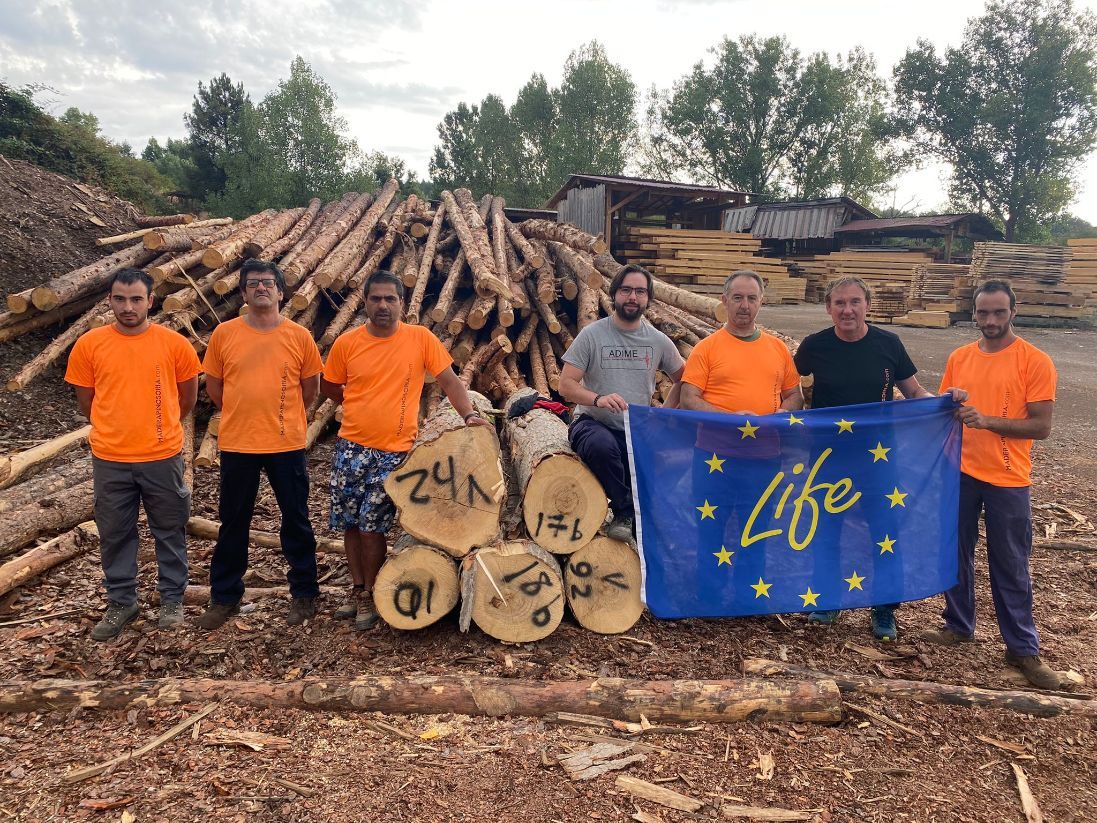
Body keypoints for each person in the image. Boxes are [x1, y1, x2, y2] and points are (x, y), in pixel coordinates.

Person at [320, 271, 490, 630]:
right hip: (351, 447)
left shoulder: (420, 339)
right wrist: (358, 404)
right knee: (349, 525)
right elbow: (331, 385)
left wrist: (471, 415)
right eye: (376, 299)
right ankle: (359, 591)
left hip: (394, 452)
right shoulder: (347, 344)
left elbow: (449, 381)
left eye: (390, 299)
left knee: (372, 527)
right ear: (365, 302)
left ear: (402, 303)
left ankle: (375, 589)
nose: (382, 305)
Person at [793, 276, 952, 641]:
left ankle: (884, 609)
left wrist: (944, 403)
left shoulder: (888, 344)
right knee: (826, 533)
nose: (847, 310)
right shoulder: (814, 346)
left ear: (868, 304)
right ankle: (827, 601)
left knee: (884, 534)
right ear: (828, 308)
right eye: (839, 303)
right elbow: (787, 385)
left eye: (854, 302)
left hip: (878, 459)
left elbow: (914, 391)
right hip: (827, 459)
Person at [922, 280, 1060, 689]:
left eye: (999, 312)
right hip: (959, 473)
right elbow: (947, 405)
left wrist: (988, 421)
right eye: (983, 313)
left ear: (1013, 312)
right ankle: (958, 626)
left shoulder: (1034, 361)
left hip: (1007, 479)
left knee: (1011, 564)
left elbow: (1042, 426)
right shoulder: (960, 356)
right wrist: (950, 397)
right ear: (974, 312)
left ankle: (1022, 649)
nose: (990, 321)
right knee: (955, 554)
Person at [64, 268, 200, 640]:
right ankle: (122, 601)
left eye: (136, 299)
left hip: (161, 455)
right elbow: (86, 401)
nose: (128, 307)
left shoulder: (174, 345)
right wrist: (116, 428)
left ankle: (172, 597)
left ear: (150, 301)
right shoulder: (90, 345)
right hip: (111, 458)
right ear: (109, 300)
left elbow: (187, 397)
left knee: (169, 528)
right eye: (120, 299)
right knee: (115, 532)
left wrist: (160, 426)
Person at [196, 259, 325, 630]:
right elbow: (215, 386)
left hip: (286, 443)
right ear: (243, 293)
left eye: (268, 283)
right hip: (239, 442)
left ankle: (304, 593)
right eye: (253, 283)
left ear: (281, 292)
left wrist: (281, 416)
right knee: (233, 522)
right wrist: (242, 411)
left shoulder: (299, 336)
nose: (261, 288)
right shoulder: (224, 335)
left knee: (296, 520)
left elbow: (310, 389)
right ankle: (224, 597)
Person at [559, 264, 684, 541]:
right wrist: (598, 399)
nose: (632, 297)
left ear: (648, 299)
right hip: (592, 422)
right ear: (614, 294)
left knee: (674, 461)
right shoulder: (593, 335)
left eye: (640, 292)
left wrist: (663, 414)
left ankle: (653, 520)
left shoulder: (657, 340)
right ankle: (626, 513)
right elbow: (565, 385)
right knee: (602, 447)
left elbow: (684, 379)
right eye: (626, 290)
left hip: (636, 428)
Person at [680, 270, 803, 416]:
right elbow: (688, 399)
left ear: (760, 302)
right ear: (725, 301)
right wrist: (731, 420)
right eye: (737, 298)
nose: (745, 306)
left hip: (766, 437)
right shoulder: (705, 348)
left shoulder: (778, 348)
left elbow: (795, 395)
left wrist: (785, 411)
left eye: (752, 298)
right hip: (718, 438)